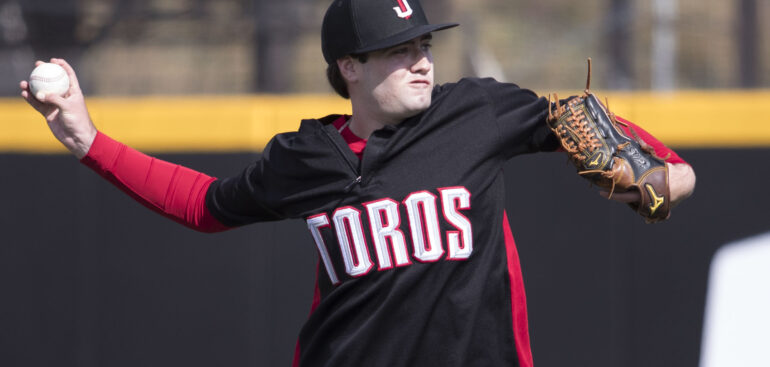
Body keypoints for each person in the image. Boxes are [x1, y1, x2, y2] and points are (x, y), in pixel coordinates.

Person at [20, 0, 696, 366]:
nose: (422, 62)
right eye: (400, 51)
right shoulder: (309, 157)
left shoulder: (475, 112)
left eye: (425, 45)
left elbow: (578, 118)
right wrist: (88, 142)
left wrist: (667, 166)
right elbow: (203, 203)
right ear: (349, 66)